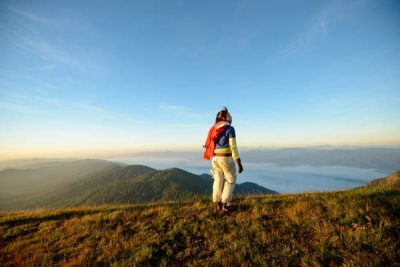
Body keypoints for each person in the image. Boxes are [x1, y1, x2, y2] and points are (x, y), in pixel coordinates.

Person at [203, 107, 243, 213]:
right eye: (229, 115)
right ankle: (225, 204)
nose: (231, 116)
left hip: (215, 159)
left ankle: (218, 204)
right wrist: (239, 163)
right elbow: (233, 147)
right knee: (231, 179)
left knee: (218, 180)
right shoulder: (230, 129)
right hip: (226, 159)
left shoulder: (214, 128)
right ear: (225, 117)